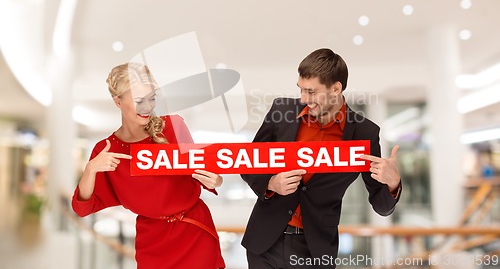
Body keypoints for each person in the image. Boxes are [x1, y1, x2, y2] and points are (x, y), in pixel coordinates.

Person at [241, 48, 401, 269]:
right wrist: (270, 182)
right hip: (265, 243)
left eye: (311, 92)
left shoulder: (364, 133)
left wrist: (393, 183)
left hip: (314, 250)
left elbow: (381, 205)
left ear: (335, 88)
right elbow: (249, 162)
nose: (304, 99)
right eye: (300, 90)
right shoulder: (282, 111)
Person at [71, 62, 226, 269]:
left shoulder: (174, 126)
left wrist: (216, 180)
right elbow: (83, 208)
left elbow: (204, 174)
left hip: (194, 232)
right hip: (152, 241)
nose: (148, 108)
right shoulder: (106, 149)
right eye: (138, 101)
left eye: (152, 99)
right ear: (117, 101)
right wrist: (90, 169)